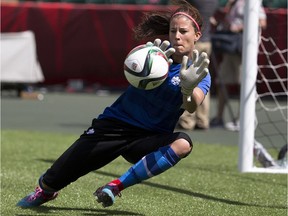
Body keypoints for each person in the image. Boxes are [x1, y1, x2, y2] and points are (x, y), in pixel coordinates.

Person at [17, 0, 211, 208]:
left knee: (183, 143)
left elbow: (191, 107)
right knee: (53, 178)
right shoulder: (155, 56)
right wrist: (146, 61)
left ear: (197, 35)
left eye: (183, 31)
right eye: (173, 31)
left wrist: (187, 89)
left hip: (149, 137)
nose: (177, 36)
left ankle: (115, 186)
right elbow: (131, 70)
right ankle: (45, 192)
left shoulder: (200, 74)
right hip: (116, 125)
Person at [210, 0, 267, 131]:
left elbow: (262, 23)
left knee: (244, 84)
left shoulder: (253, 3)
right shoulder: (234, 3)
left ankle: (243, 118)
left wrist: (240, 27)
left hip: (244, 50)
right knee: (222, 81)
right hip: (230, 49)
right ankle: (219, 117)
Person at [178, 0, 219, 130]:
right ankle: (202, 120)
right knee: (202, 80)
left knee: (188, 79)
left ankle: (187, 120)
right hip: (207, 42)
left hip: (195, 43)